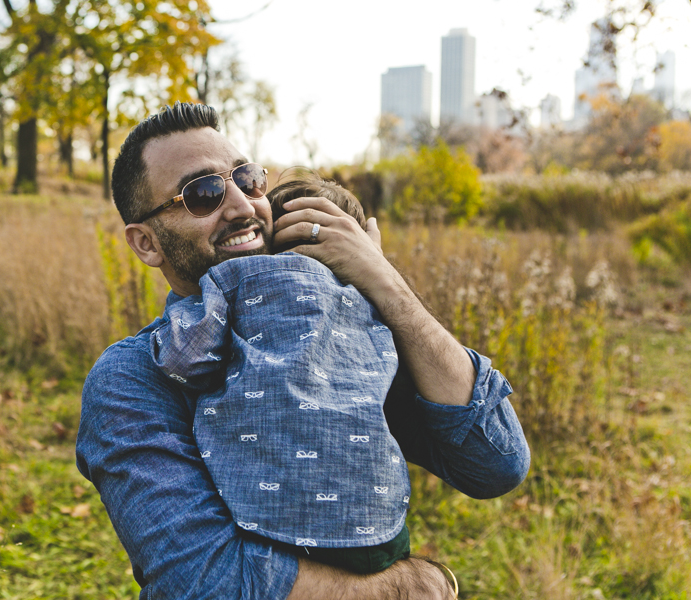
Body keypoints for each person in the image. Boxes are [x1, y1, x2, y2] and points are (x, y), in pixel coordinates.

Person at [75, 102, 530, 600]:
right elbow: (205, 581)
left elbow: (495, 462)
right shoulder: (135, 377)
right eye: (203, 194)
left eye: (247, 180)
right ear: (146, 244)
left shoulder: (338, 337)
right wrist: (414, 587)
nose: (244, 207)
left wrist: (385, 283)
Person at [149, 174, 413, 576]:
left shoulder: (238, 279)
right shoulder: (372, 297)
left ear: (272, 232)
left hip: (271, 519)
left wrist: (178, 316)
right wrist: (376, 268)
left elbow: (187, 358)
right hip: (378, 519)